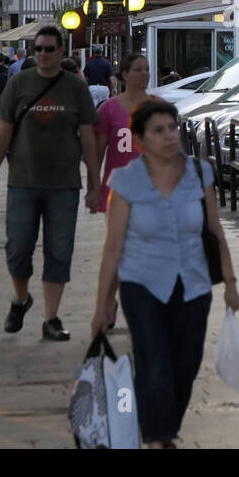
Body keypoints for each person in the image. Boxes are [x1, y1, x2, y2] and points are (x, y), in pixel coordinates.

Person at [91, 99, 239, 448]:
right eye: (159, 131)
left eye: (172, 127)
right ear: (140, 139)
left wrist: (230, 283)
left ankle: (161, 427)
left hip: (194, 283)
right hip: (142, 284)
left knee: (185, 367)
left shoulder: (200, 172)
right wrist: (103, 305)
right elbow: (113, 247)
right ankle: (160, 438)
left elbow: (215, 230)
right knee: (154, 365)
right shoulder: (125, 181)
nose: (170, 136)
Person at [0, 27, 99, 341]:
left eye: (49, 49)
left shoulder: (75, 87)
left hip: (64, 185)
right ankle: (21, 298)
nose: (43, 54)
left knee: (59, 251)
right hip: (23, 182)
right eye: (39, 49)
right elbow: (3, 134)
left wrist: (95, 185)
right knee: (18, 248)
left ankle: (51, 318)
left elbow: (88, 137)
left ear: (61, 51)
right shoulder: (19, 83)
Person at [91, 53, 152, 327]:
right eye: (138, 69)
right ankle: (108, 301)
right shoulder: (109, 109)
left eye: (147, 69)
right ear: (124, 74)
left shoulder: (157, 107)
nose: (144, 74)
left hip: (152, 191)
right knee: (119, 249)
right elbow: (97, 151)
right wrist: (93, 186)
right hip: (118, 192)